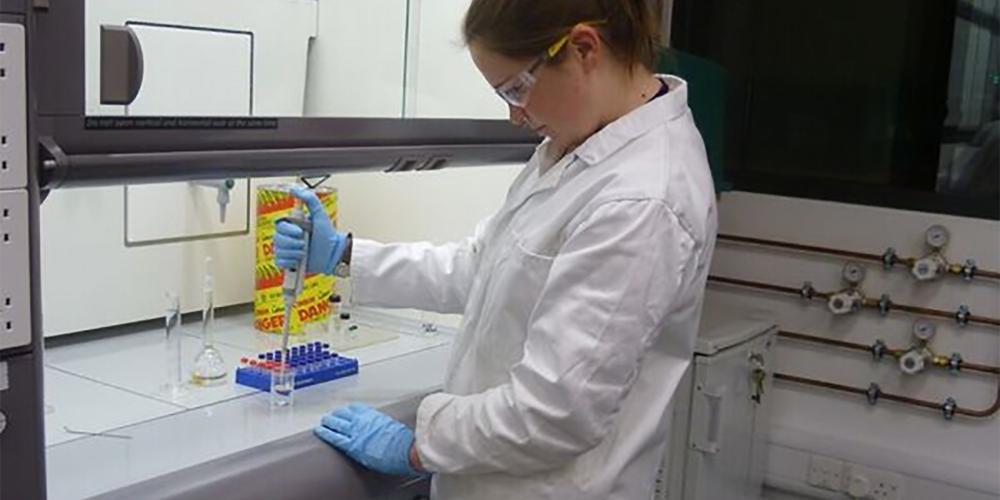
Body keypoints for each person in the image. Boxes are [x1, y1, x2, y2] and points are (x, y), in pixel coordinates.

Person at [273, 0, 718, 498]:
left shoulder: (642, 199)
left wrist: (419, 445)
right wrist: (346, 255)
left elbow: (553, 414)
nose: (514, 115)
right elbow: (481, 267)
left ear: (583, 48)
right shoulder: (576, 146)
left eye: (517, 89)